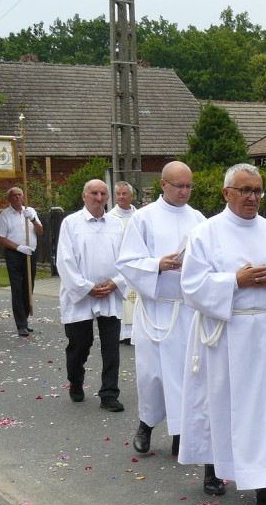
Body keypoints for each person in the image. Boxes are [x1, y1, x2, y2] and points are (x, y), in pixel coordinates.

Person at [178, 163, 266, 505]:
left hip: (262, 331)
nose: (253, 197)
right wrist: (235, 281)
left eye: (258, 191)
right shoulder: (206, 233)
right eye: (245, 190)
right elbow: (191, 286)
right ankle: (214, 468)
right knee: (219, 402)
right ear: (226, 193)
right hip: (223, 332)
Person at [117, 162, 205, 462]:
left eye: (189, 186)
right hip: (155, 309)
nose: (184, 191)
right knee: (152, 375)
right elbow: (127, 262)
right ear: (163, 184)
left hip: (188, 311)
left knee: (188, 376)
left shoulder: (198, 219)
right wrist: (157, 265)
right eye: (179, 186)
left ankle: (182, 435)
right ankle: (146, 425)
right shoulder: (143, 218)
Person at [57, 179, 126, 412]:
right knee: (80, 345)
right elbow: (65, 262)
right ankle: (75, 380)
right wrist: (86, 287)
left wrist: (116, 283)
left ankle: (109, 393)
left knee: (111, 346)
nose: (99, 198)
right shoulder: (71, 224)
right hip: (81, 296)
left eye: (103, 193)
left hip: (109, 294)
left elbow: (127, 259)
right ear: (84, 196)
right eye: (94, 193)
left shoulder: (117, 225)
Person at [0, 186, 42, 337]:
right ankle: (20, 323)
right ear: (9, 198)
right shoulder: (5, 215)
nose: (17, 197)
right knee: (17, 287)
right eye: (14, 195)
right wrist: (18, 247)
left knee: (29, 286)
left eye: (20, 195)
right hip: (14, 254)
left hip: (30, 254)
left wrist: (33, 219)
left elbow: (40, 231)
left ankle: (25, 320)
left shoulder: (30, 211)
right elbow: (0, 238)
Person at [108, 181, 137, 344]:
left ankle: (136, 331)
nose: (121, 197)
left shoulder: (139, 216)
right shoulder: (111, 218)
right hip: (119, 266)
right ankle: (123, 334)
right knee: (123, 300)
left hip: (136, 266)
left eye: (124, 194)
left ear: (131, 196)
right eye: (118, 194)